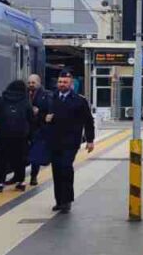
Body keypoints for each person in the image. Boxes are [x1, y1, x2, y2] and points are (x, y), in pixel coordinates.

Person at [46, 71, 95, 213]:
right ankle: (59, 201)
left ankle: (67, 201)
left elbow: (88, 121)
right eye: (60, 82)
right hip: (54, 141)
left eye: (65, 82)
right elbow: (41, 115)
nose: (62, 84)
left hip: (71, 141)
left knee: (66, 168)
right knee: (56, 171)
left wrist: (90, 140)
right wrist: (44, 118)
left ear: (71, 84)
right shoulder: (51, 98)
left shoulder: (79, 101)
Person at [0, 80, 33, 192]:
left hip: (3, 135)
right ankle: (20, 183)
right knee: (19, 159)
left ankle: (0, 183)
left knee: (2, 159)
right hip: (20, 136)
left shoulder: (1, 100)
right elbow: (31, 118)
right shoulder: (25, 101)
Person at [25, 74, 52, 186]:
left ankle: (33, 176)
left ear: (39, 83)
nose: (31, 85)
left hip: (38, 129)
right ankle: (19, 177)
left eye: (33, 82)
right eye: (29, 83)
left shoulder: (46, 95)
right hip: (25, 129)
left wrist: (38, 111)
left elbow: (49, 112)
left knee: (36, 155)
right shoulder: (24, 95)